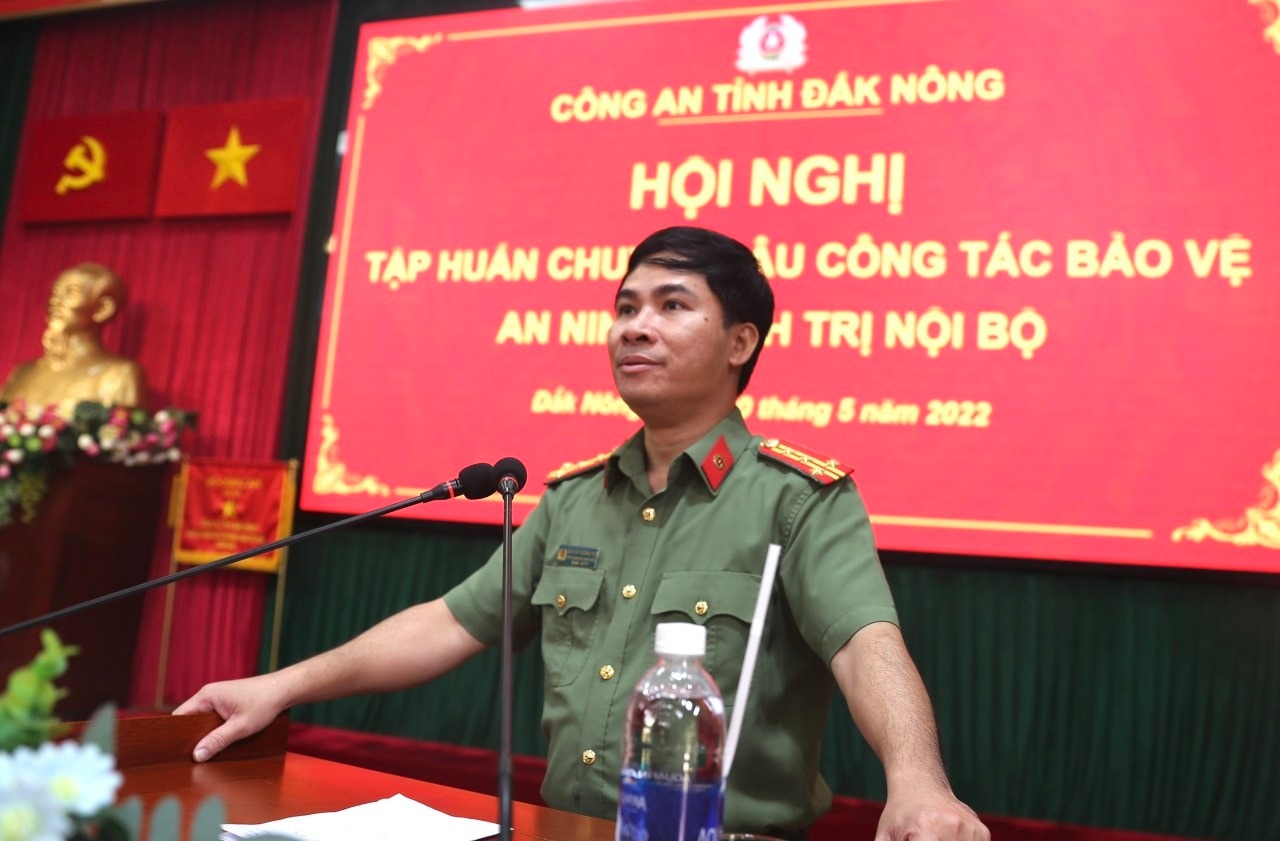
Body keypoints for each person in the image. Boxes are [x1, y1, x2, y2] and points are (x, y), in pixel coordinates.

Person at [176, 227, 988, 841]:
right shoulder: (571, 497)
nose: (635, 326)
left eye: (672, 305)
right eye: (625, 307)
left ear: (741, 342)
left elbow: (865, 646)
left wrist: (918, 780)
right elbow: (449, 624)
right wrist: (280, 685)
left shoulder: (797, 497)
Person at [0, 263, 148, 417]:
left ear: (103, 309)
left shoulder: (119, 375)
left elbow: (121, 424)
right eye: (55, 293)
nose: (54, 301)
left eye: (70, 293)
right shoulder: (22, 373)